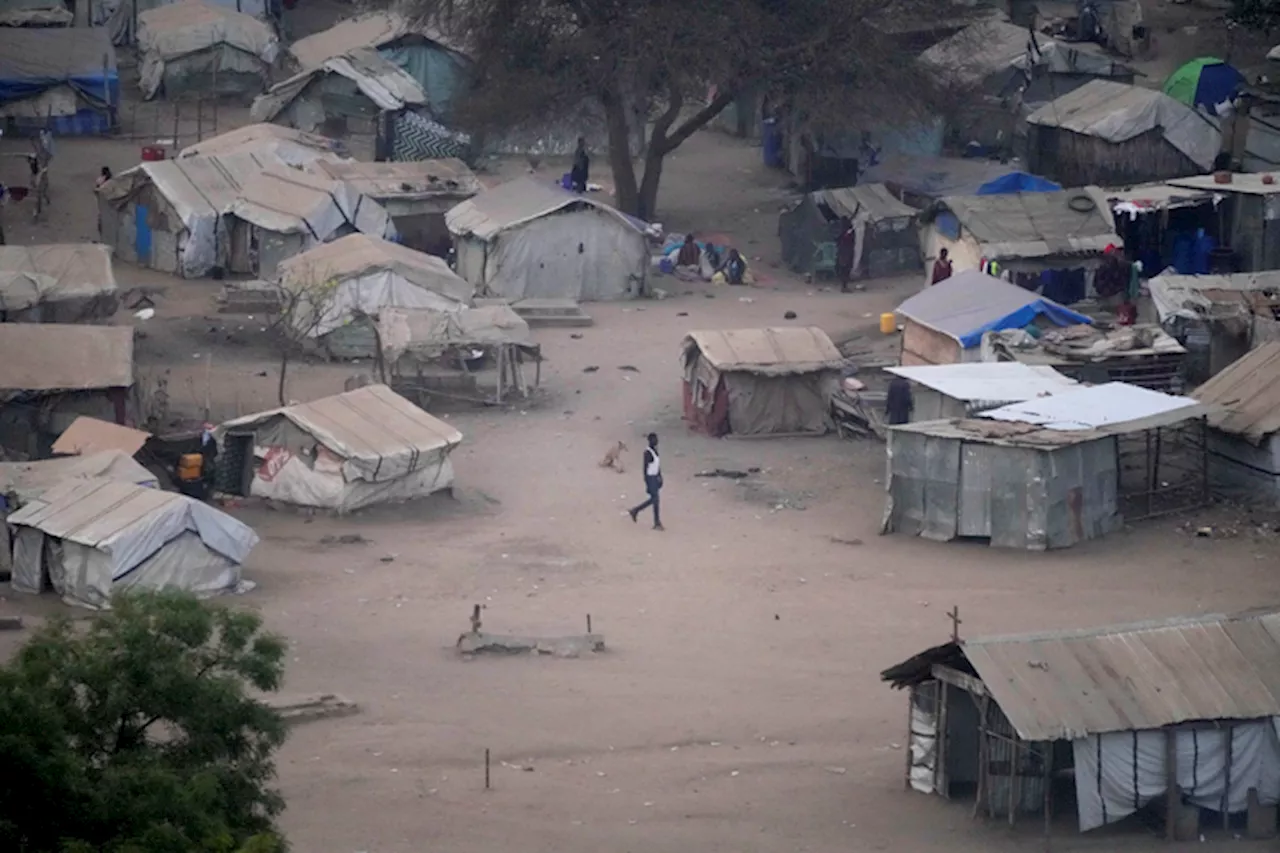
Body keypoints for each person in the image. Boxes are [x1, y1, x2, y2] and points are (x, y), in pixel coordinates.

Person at [628, 433, 663, 530]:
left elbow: (657, 466)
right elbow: (645, 468)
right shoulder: (647, 453)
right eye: (654, 439)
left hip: (655, 477)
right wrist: (647, 481)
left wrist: (660, 476)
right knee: (655, 500)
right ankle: (655, 521)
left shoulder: (655, 451)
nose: (656, 441)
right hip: (650, 478)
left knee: (655, 500)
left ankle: (636, 511)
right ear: (650, 441)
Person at [835, 216, 856, 293]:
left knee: (845, 269)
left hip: (843, 253)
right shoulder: (845, 232)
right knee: (845, 269)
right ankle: (844, 286)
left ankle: (844, 286)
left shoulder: (842, 232)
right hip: (846, 253)